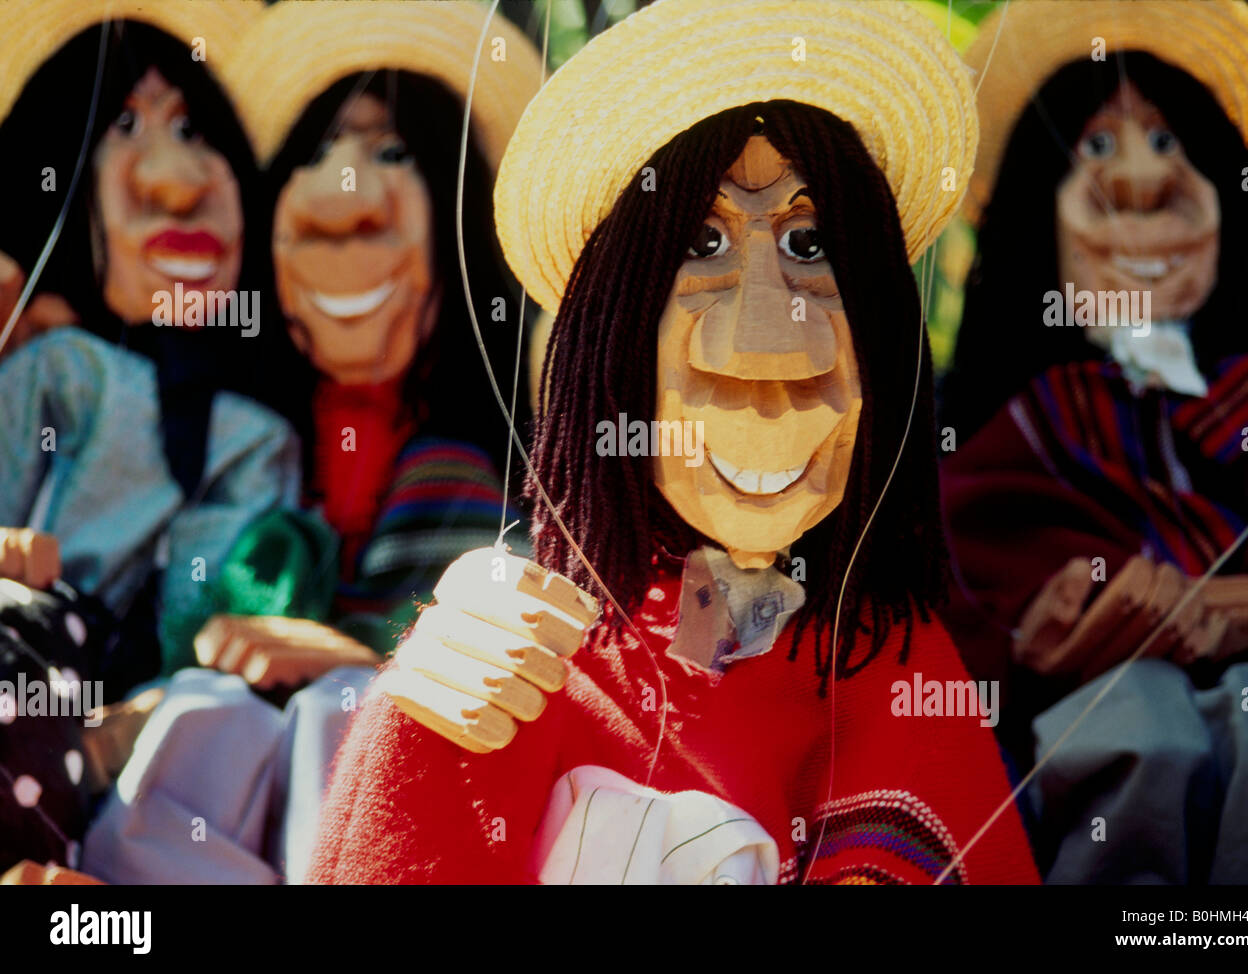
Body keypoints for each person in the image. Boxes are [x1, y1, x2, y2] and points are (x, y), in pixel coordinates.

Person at [310, 0, 1038, 886]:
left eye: (810, 243)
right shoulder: (534, 657)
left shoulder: (902, 664)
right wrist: (416, 719)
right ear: (610, 339)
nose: (767, 340)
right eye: (703, 240)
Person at [78, 0, 543, 885]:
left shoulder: (476, 476)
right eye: (317, 153)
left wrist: (361, 654)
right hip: (183, 797)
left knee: (337, 709)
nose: (347, 198)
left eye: (392, 151)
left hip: (367, 795)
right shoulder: (221, 433)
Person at [938, 0, 1248, 883]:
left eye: (1171, 144)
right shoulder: (1018, 427)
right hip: (1081, 734)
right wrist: (1027, 643)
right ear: (1038, 222)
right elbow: (957, 605)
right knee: (1134, 726)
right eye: (1096, 148)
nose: (1140, 181)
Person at [0, 0, 295, 874]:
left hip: (129, 723)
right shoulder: (57, 366)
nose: (173, 175)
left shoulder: (255, 435)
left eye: (193, 128)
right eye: (126, 124)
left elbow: (213, 620)